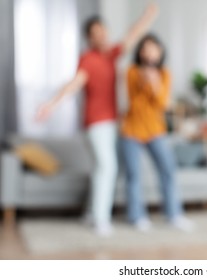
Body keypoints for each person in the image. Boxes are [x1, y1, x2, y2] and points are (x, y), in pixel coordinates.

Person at [35, 4, 159, 236]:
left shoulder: (111, 55)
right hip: (96, 122)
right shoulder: (88, 60)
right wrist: (51, 104)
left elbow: (133, 35)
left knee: (100, 169)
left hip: (112, 121)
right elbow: (73, 84)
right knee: (108, 168)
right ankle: (101, 219)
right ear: (89, 38)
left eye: (104, 31)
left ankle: (91, 213)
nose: (102, 36)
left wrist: (148, 16)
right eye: (96, 33)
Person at [120, 34, 193, 232]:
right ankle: (137, 217)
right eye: (145, 48)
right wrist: (145, 81)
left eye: (153, 48)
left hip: (155, 130)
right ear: (140, 52)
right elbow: (134, 103)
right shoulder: (131, 72)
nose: (149, 52)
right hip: (132, 130)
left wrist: (155, 83)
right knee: (134, 174)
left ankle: (174, 214)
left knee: (167, 170)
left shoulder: (165, 74)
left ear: (160, 52)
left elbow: (163, 103)